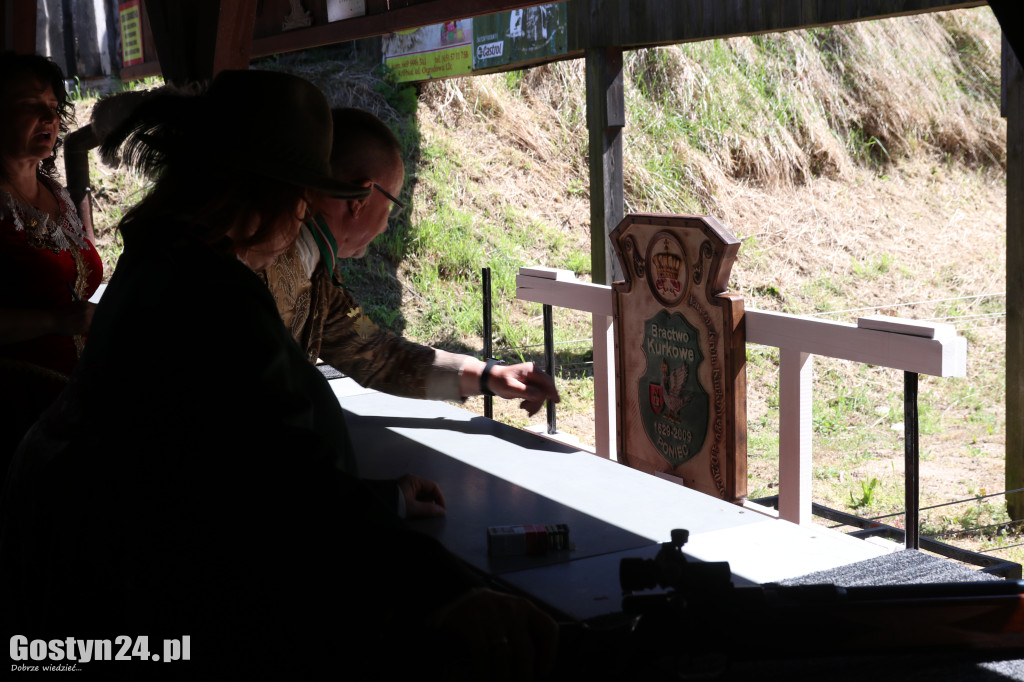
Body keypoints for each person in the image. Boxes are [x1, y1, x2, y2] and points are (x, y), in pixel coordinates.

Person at [0, 70, 556, 680]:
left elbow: (261, 452)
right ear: (264, 193)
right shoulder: (214, 298)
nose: (301, 211)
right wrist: (442, 589)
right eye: (298, 193)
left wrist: (480, 380)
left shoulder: (163, 265)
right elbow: (284, 481)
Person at [264, 107, 561, 415]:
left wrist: (487, 376)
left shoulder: (317, 278)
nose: (384, 227)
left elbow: (377, 352)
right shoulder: (269, 263)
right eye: (391, 208)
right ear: (361, 199)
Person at [0, 52, 101, 476]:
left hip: (73, 404)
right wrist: (52, 322)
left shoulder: (55, 194)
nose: (49, 117)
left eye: (54, 108)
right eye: (30, 106)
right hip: (15, 407)